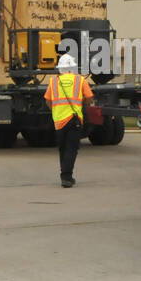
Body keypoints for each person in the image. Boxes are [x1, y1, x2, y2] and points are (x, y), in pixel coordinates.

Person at [45, 53, 94, 187]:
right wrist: (80, 103)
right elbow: (89, 98)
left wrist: (56, 110)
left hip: (59, 121)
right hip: (74, 119)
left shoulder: (53, 82)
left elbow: (48, 101)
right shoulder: (80, 80)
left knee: (63, 149)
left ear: (60, 68)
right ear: (73, 68)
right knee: (71, 149)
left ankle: (66, 175)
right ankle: (66, 177)